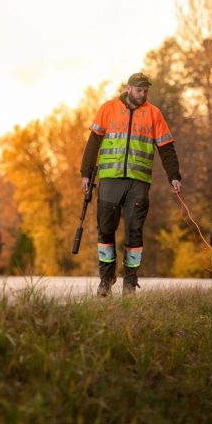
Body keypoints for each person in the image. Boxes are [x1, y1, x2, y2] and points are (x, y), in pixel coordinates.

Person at [80, 72, 182, 296]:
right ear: (128, 88)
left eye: (146, 90)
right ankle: (106, 280)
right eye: (139, 90)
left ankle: (129, 282)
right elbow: (93, 143)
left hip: (139, 183)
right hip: (110, 181)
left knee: (134, 233)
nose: (142, 94)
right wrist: (85, 173)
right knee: (105, 231)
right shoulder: (107, 109)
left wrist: (174, 176)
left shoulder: (154, 114)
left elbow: (166, 147)